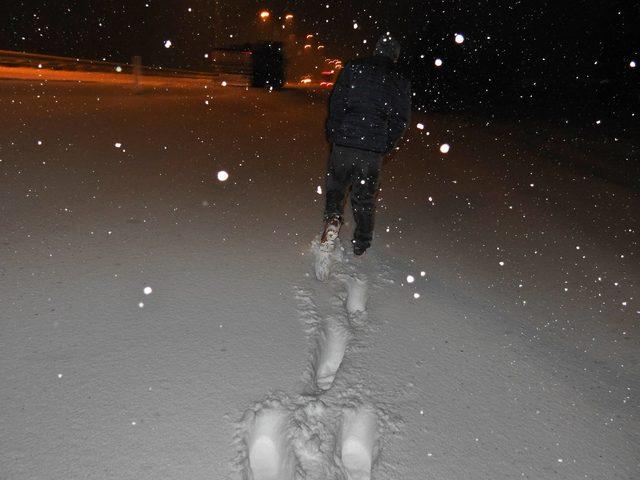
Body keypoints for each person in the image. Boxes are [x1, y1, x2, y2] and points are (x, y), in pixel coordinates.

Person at [321, 34, 411, 256]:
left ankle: (333, 218)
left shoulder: (354, 67)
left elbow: (337, 101)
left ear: (377, 49)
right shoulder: (399, 79)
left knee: (336, 187)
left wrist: (334, 133)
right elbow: (401, 120)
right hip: (372, 149)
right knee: (365, 197)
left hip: (344, 142)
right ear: (395, 56)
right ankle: (361, 242)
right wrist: (385, 144)